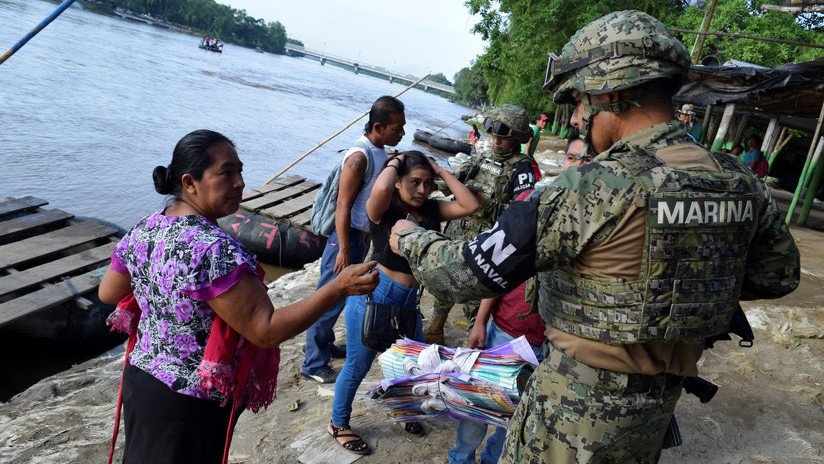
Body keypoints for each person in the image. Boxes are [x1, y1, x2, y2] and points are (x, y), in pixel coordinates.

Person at [390, 10, 800, 463]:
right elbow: (777, 277)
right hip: (654, 416)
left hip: (570, 417)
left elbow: (467, 273)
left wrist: (411, 238)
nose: (580, 117)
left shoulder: (593, 187)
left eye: (583, 101)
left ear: (616, 92)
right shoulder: (740, 182)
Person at [98, 129, 379, 464]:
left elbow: (109, 292)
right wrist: (337, 288)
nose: (240, 183)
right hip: (188, 402)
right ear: (189, 183)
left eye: (240, 171)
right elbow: (265, 330)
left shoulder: (147, 228)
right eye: (226, 173)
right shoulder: (214, 248)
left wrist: (164, 288)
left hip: (142, 381)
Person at [447, 134, 586, 464]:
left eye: (586, 159)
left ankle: (494, 459)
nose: (578, 166)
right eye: (572, 158)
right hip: (507, 332)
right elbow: (499, 271)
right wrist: (480, 321)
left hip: (555, 345)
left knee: (519, 416)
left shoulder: (600, 220)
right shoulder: (533, 204)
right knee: (480, 406)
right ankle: (461, 459)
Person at [329, 150, 478, 455]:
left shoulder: (432, 209)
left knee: (411, 366)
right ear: (397, 182)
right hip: (375, 296)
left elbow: (470, 205)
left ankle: (402, 412)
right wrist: (397, 161)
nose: (422, 190)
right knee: (358, 365)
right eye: (414, 182)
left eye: (427, 183)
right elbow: (381, 189)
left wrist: (439, 169)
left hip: (409, 301)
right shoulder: (384, 209)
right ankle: (338, 423)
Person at [302, 96, 406, 383]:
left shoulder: (378, 152)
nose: (402, 133)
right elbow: (343, 205)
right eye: (397, 127)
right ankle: (313, 364)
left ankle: (324, 346)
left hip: (361, 237)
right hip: (344, 238)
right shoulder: (358, 157)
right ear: (378, 126)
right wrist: (344, 250)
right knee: (329, 297)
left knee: (341, 296)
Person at [424, 104, 538, 346]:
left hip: (486, 240)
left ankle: (472, 344)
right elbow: (455, 182)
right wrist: (431, 177)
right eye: (493, 134)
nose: (496, 141)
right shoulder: (481, 157)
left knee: (478, 294)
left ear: (516, 137)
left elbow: (523, 207)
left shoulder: (521, 167)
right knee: (444, 281)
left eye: (503, 137)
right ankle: (435, 327)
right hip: (458, 231)